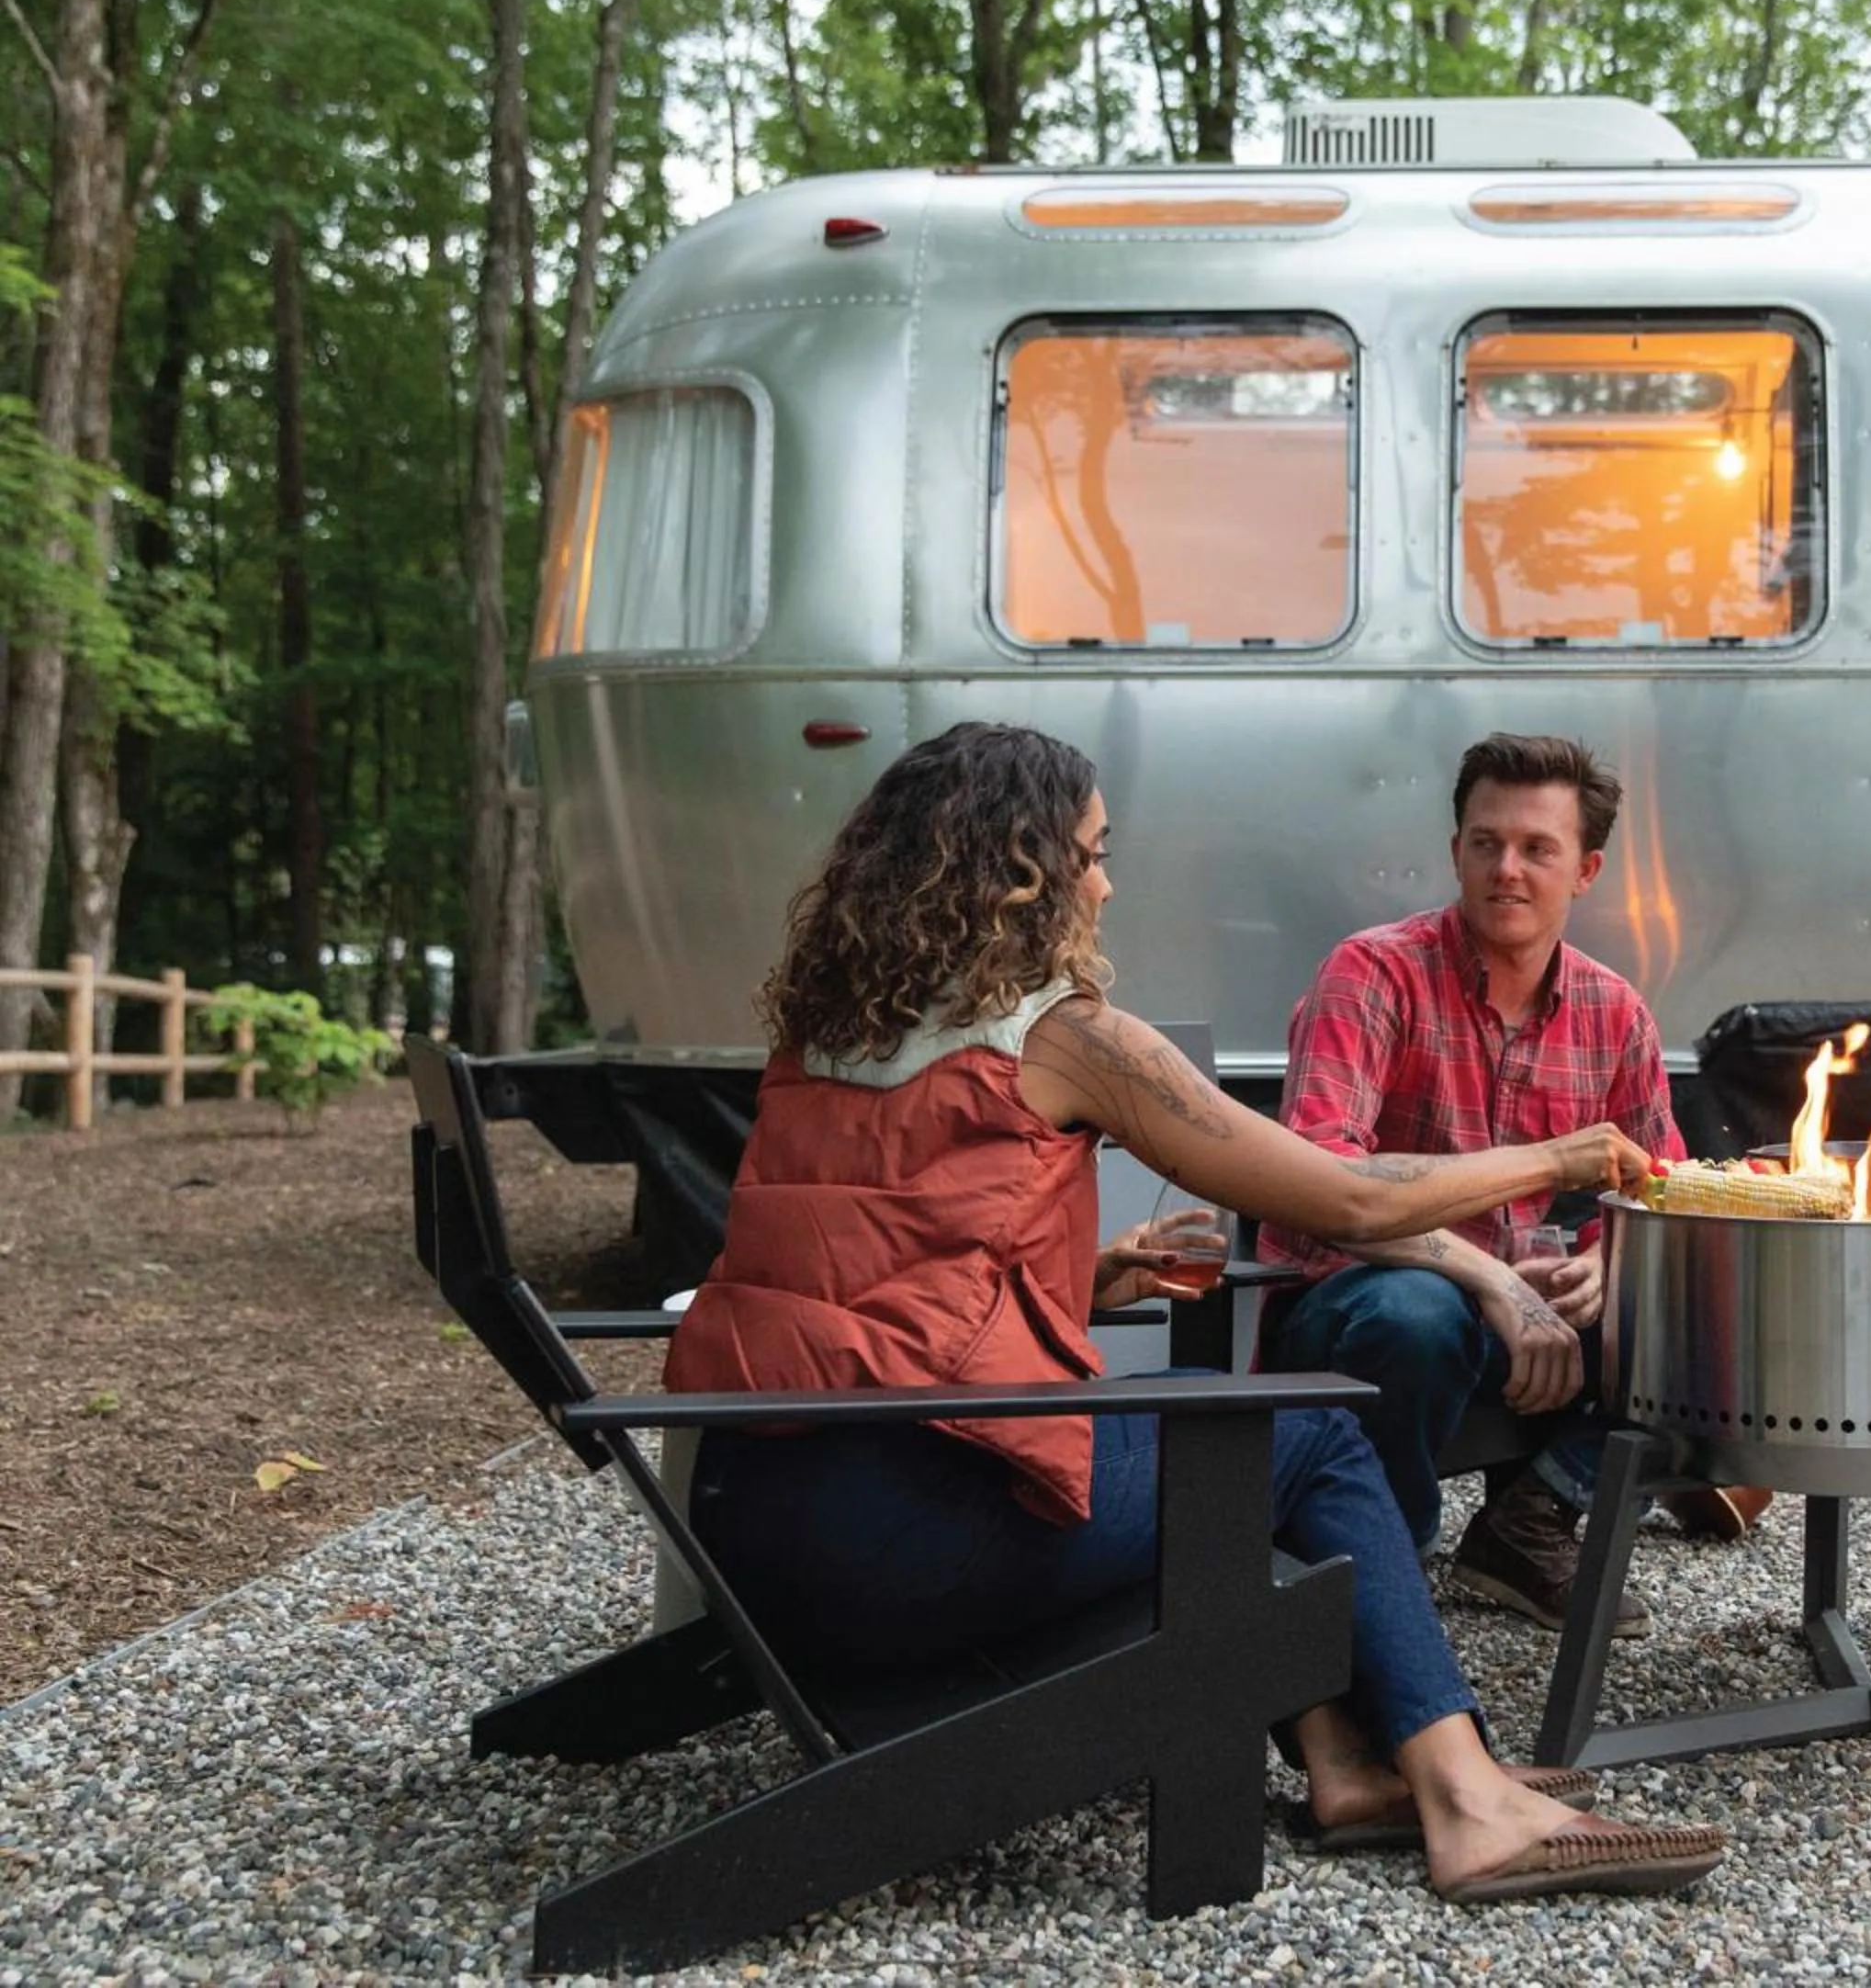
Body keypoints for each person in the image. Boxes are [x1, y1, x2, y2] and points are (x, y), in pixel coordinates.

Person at [663, 721, 1727, 1904]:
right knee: (1304, 1433)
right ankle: (1468, 1801)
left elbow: (876, 1272)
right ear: (1020, 872)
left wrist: (1092, 1274)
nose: (1109, 882)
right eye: (1094, 852)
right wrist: (1557, 1156)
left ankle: (1344, 1765)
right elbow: (1342, 1192)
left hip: (750, 1519)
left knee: (1217, 1437)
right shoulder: (1069, 1039)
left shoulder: (828, 1035)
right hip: (913, 1538)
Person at [1257, 734, 1772, 1639]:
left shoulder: (1615, 1012)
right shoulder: (1371, 973)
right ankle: (1382, 1570)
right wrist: (1491, 1282)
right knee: (1414, 1312)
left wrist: (1610, 1265)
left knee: (1708, 1299)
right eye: (1486, 843)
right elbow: (1322, 1182)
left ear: (1586, 870)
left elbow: (1667, 1192)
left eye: (1538, 848)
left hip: (1521, 1309)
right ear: (1455, 851)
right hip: (1358, 1297)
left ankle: (1529, 1521)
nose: (1507, 868)